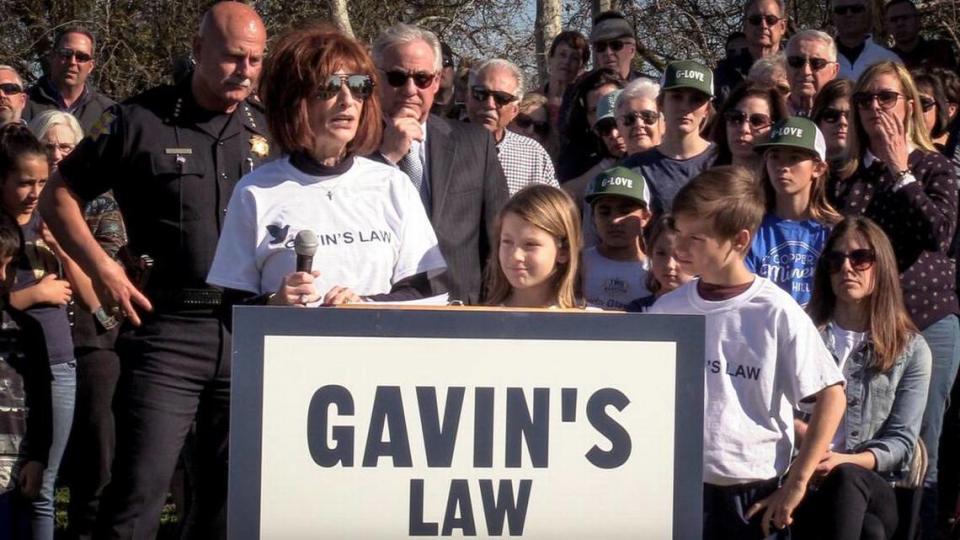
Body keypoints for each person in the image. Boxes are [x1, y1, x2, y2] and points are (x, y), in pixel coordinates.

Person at [39, 3, 272, 538]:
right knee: (137, 498)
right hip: (167, 333)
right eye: (234, 57)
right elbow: (59, 196)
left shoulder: (268, 128)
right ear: (197, 51)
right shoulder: (134, 119)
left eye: (256, 60)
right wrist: (103, 269)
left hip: (249, 333)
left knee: (229, 501)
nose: (245, 70)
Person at [648, 165, 846, 539]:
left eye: (696, 238)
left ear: (739, 240)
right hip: (679, 485)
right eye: (679, 233)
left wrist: (796, 484)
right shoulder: (667, 309)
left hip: (753, 491)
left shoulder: (775, 310)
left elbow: (832, 396)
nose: (680, 248)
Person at [208, 26, 446, 310]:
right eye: (330, 86)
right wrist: (275, 303)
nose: (347, 100)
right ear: (295, 98)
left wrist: (363, 305)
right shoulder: (255, 191)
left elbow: (423, 294)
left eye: (359, 86)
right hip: (286, 352)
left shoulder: (394, 185)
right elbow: (231, 307)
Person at [830, 60, 959, 537]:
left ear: (909, 105)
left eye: (886, 97)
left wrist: (901, 169)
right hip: (865, 326)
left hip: (926, 320)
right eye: (865, 100)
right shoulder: (849, 180)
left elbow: (938, 233)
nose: (875, 109)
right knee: (865, 438)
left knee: (919, 446)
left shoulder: (934, 166)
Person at [794, 216, 932, 540]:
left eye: (860, 258)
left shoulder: (911, 349)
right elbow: (767, 404)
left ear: (880, 265)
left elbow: (901, 442)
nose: (847, 268)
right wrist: (806, 438)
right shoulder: (801, 329)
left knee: (847, 478)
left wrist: (844, 460)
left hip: (874, 485)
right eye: (836, 259)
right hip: (802, 476)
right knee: (868, 532)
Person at [27, 110, 126, 540]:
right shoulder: (15, 206)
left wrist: (62, 244)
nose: (56, 155)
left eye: (65, 147)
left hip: (91, 344)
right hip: (29, 346)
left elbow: (102, 305)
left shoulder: (103, 205)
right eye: (47, 147)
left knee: (96, 462)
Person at [372, 23, 509, 304]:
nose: (410, 90)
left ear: (436, 82)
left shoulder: (475, 144)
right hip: (378, 306)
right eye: (397, 77)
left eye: (422, 78)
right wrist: (386, 157)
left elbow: (498, 238)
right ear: (376, 78)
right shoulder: (352, 149)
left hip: (460, 310)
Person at [0, 123, 75, 540]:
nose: (34, 192)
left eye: (42, 182)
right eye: (24, 183)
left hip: (56, 362)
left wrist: (62, 244)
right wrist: (30, 296)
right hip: (8, 366)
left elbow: (94, 299)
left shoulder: (50, 221)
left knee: (41, 483)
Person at [747, 117, 841, 307]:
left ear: (818, 168)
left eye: (794, 158)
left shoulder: (836, 231)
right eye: (774, 156)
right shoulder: (750, 226)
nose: (783, 167)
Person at [0, 209, 51, 540]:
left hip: (13, 468)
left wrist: (37, 458)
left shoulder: (27, 328)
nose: (4, 274)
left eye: (9, 265)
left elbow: (42, 397)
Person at [623, 60, 718, 215]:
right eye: (677, 97)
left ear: (707, 109)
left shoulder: (724, 161)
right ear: (660, 103)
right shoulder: (634, 169)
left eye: (696, 100)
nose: (685, 107)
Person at [466, 58, 557, 196]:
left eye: (501, 98)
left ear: (515, 110)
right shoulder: (442, 145)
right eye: (481, 93)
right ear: (468, 97)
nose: (489, 104)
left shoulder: (534, 155)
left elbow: (552, 213)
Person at [484, 184, 582, 309]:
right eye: (507, 242)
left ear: (563, 251)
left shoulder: (585, 322)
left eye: (530, 244)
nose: (516, 256)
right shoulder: (482, 319)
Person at [581, 167, 652, 310]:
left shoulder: (658, 272)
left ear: (645, 217)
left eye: (625, 211)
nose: (614, 220)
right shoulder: (577, 265)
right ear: (593, 217)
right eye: (604, 212)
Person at [22, 27, 115, 133]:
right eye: (65, 53)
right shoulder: (23, 104)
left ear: (91, 66)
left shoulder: (107, 112)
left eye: (81, 57)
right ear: (52, 57)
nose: (72, 62)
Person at [556, 68, 624, 182]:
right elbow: (565, 193)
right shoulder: (575, 156)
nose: (604, 113)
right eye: (595, 110)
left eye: (611, 105)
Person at [714, 0, 787, 105]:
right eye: (755, 20)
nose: (763, 25)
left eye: (770, 20)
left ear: (782, 27)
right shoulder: (724, 74)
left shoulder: (797, 66)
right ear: (745, 25)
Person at [709, 82, 787, 169]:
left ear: (775, 127)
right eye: (736, 118)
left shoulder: (785, 181)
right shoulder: (703, 178)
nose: (744, 129)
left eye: (757, 121)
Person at [625, 214, 692, 312]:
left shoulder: (710, 308)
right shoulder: (638, 309)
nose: (669, 265)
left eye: (681, 255)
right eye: (661, 253)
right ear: (650, 253)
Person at [830, 0, 901, 80]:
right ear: (833, 17)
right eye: (841, 10)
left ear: (867, 15)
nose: (849, 14)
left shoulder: (889, 59)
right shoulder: (821, 59)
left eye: (856, 9)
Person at [886, 0, 958, 72]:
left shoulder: (941, 52)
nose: (900, 23)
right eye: (893, 20)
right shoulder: (885, 59)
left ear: (918, 21)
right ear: (887, 26)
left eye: (905, 18)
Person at [784, 30, 840, 117]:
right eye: (796, 61)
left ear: (834, 71)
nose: (806, 71)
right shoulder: (771, 113)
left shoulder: (846, 117)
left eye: (816, 63)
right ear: (785, 67)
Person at [541, 31, 589, 128]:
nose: (567, 61)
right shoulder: (530, 101)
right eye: (562, 55)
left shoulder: (585, 106)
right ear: (550, 58)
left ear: (582, 66)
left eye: (575, 58)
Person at [811, 78, 854, 174]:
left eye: (850, 115)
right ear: (817, 120)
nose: (842, 122)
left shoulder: (873, 172)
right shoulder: (805, 171)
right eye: (831, 115)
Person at [617, 77, 663, 157]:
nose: (639, 124)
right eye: (629, 118)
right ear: (619, 127)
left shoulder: (683, 168)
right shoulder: (614, 170)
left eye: (648, 116)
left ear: (664, 123)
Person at [589, 11, 641, 81]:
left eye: (616, 45)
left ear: (632, 50)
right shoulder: (582, 89)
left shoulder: (652, 88)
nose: (608, 52)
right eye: (601, 46)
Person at [910, 68, 952, 149]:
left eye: (923, 103)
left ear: (938, 109)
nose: (915, 110)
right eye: (908, 102)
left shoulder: (946, 158)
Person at [430, 41, 456, 116]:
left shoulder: (467, 109)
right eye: (435, 64)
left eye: (445, 62)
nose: (440, 68)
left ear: (453, 70)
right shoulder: (420, 108)